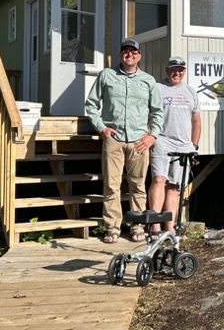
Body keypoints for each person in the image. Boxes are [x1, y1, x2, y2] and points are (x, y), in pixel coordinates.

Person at [84, 38, 164, 244]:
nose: (130, 54)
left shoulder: (148, 80)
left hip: (139, 140)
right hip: (115, 140)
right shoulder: (107, 75)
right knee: (111, 185)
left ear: (139, 56)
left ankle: (137, 225)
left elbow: (157, 111)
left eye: (134, 52)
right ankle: (112, 227)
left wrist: (152, 135)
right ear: (121, 55)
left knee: (137, 185)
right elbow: (91, 105)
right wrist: (102, 129)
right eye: (126, 51)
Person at [147, 56, 201, 234]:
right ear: (166, 71)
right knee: (159, 180)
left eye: (179, 70)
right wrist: (151, 135)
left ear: (184, 72)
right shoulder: (157, 88)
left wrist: (194, 145)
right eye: (172, 69)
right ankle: (154, 226)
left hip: (184, 145)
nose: (176, 73)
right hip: (162, 140)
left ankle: (169, 229)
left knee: (175, 186)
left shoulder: (191, 92)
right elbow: (148, 113)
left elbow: (196, 120)